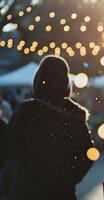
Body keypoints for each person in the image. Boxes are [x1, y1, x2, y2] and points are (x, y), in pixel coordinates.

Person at [0, 55, 94, 200]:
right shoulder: (74, 116)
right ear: (65, 81)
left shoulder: (27, 111)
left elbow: (9, 148)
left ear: (38, 79)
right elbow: (88, 155)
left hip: (27, 192)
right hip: (62, 193)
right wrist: (66, 180)